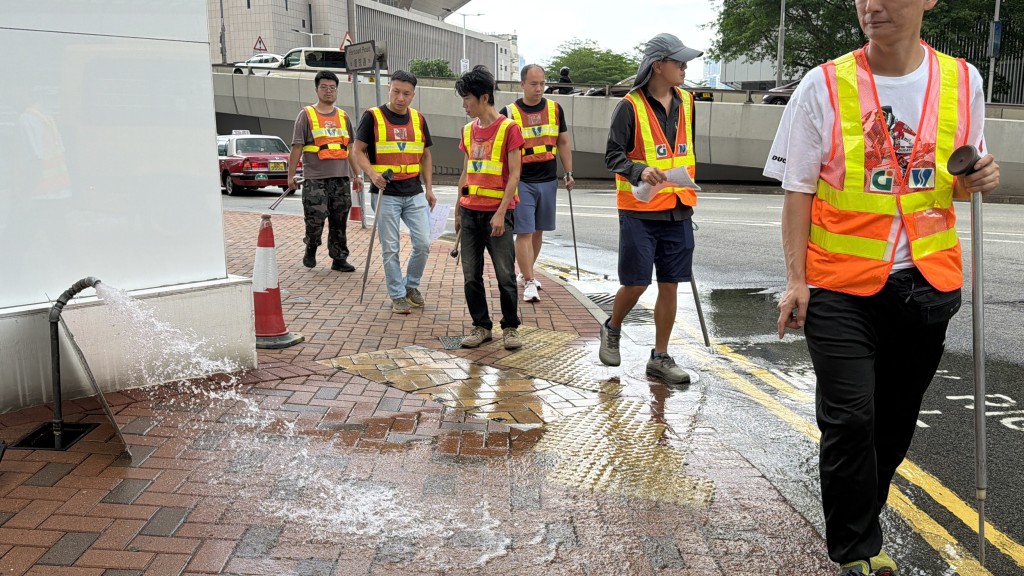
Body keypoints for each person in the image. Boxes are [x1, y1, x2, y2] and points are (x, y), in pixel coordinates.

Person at [765, 1, 1000, 574]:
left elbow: (960, 180)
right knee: (850, 419)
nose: (872, 6)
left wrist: (978, 178)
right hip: (839, 286)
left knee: (894, 424)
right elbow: (797, 190)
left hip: (927, 284)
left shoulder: (962, 80)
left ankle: (861, 518)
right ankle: (856, 551)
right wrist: (796, 280)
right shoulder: (822, 86)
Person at [598, 33, 702, 385]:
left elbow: (684, 149)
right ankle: (612, 327)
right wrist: (639, 170)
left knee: (671, 283)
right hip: (639, 211)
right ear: (658, 66)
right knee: (637, 282)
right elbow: (613, 155)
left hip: (678, 206)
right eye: (678, 61)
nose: (685, 67)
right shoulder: (629, 106)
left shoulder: (688, 102)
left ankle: (660, 356)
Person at [352, 70, 437, 314]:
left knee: (423, 243)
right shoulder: (373, 116)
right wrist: (372, 174)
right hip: (385, 193)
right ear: (389, 88)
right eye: (396, 91)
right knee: (391, 247)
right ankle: (397, 294)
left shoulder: (418, 119)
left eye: (407, 93)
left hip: (413, 190)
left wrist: (429, 188)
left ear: (413, 94)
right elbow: (358, 151)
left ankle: (411, 286)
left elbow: (426, 154)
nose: (401, 98)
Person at [454, 65, 525, 350]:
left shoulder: (509, 128)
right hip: (470, 211)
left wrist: (500, 212)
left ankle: (510, 328)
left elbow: (516, 174)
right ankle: (481, 326)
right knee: (471, 274)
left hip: (498, 213)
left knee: (505, 274)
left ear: (484, 98)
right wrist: (458, 208)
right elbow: (466, 171)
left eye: (467, 98)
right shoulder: (468, 130)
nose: (464, 105)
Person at [499, 64, 575, 303]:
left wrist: (569, 171)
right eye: (533, 84)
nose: (539, 88)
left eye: (542, 83)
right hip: (522, 181)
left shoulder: (555, 109)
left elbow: (562, 142)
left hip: (548, 179)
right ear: (522, 84)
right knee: (523, 232)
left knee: (538, 231)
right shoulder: (509, 112)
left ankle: (525, 273)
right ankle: (530, 281)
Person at [287, 70, 363, 272]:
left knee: (339, 221)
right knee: (315, 218)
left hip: (340, 179)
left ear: (337, 90)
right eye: (324, 87)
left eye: (332, 88)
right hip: (315, 179)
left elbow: (350, 150)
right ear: (316, 89)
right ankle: (311, 247)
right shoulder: (306, 115)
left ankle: (339, 258)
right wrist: (290, 176)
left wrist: (357, 175)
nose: (328, 91)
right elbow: (297, 147)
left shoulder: (343, 116)